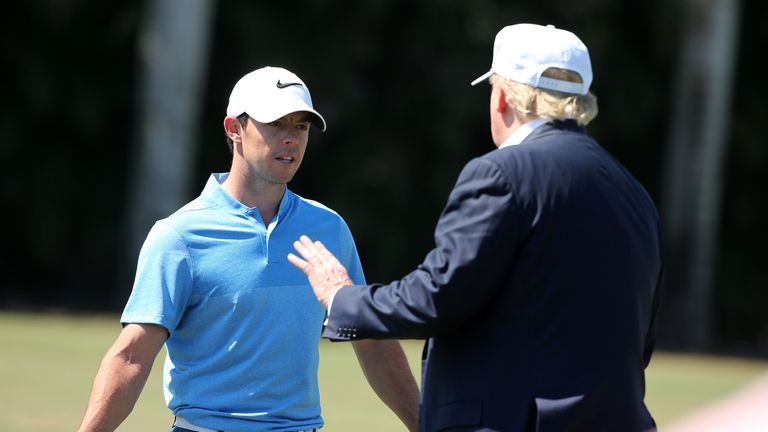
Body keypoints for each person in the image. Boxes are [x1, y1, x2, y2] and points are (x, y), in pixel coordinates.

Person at [288, 24, 664, 432]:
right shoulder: (633, 192)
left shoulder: (502, 173)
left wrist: (342, 298)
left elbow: (439, 296)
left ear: (502, 97)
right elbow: (639, 340)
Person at [78, 66, 420, 432]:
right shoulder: (179, 235)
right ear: (233, 129)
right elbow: (132, 356)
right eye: (276, 124)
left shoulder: (329, 229)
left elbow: (372, 341)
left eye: (300, 126)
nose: (291, 139)